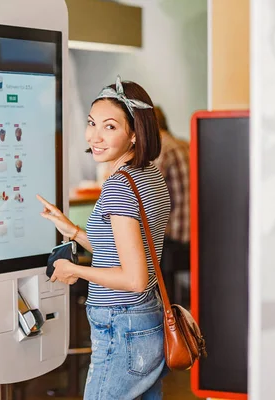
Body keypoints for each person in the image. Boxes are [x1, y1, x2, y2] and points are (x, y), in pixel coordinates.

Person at [37, 77, 171, 399]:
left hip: (121, 325)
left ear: (135, 133)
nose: (94, 136)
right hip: (145, 321)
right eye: (92, 123)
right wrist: (76, 232)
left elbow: (134, 278)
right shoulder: (148, 176)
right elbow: (122, 253)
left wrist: (75, 271)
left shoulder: (118, 187)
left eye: (109, 127)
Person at [152, 106, 191, 306]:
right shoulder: (184, 144)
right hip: (195, 234)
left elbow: (147, 194)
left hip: (175, 236)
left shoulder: (161, 149)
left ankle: (163, 316)